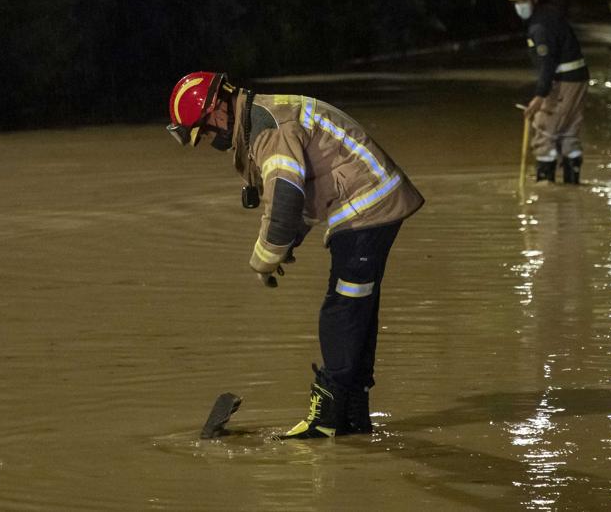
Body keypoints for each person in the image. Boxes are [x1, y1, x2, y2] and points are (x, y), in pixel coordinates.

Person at [165, 72, 424, 438]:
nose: (209, 141)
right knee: (356, 308)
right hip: (370, 204)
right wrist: (284, 247)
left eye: (204, 132)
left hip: (366, 208)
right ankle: (353, 416)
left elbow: (285, 195)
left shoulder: (268, 128)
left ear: (218, 110)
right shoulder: (262, 119)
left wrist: (264, 258)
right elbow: (301, 197)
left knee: (341, 310)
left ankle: (327, 421)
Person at [507, 0, 589, 184]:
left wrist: (539, 97)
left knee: (544, 129)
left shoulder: (540, 26)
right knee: (568, 131)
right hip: (575, 80)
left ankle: (545, 193)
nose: (520, 6)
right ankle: (571, 191)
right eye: (517, 3)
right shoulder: (547, 16)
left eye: (523, 1)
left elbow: (547, 64)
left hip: (565, 82)